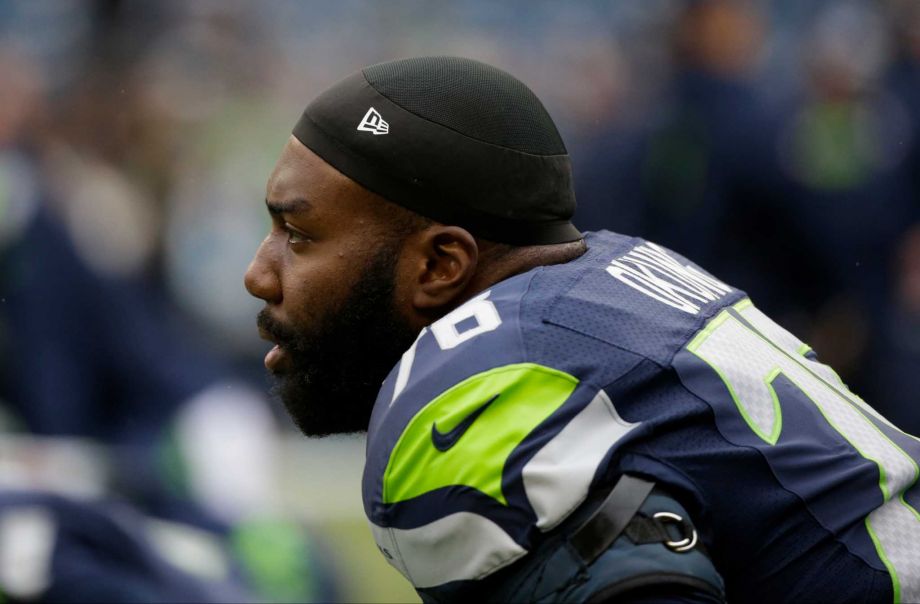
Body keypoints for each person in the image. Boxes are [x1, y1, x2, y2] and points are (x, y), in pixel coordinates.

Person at [244, 56, 920, 603]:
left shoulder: (474, 383)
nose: (258, 274)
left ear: (441, 264)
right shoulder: (614, 267)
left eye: (298, 234)